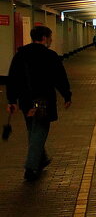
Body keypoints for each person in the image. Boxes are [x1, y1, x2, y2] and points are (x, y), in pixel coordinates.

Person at [6, 25, 72, 181]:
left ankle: (41, 159)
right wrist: (66, 95)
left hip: (26, 101)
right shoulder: (50, 55)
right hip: (43, 101)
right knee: (39, 132)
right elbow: (59, 78)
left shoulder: (20, 55)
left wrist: (11, 100)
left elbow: (13, 78)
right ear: (44, 38)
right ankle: (31, 167)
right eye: (50, 37)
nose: (51, 40)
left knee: (33, 130)